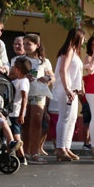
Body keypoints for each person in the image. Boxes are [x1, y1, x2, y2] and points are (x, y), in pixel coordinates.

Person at [52, 28, 86, 162]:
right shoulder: (69, 50)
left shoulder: (75, 52)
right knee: (64, 118)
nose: (84, 41)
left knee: (72, 119)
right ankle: (60, 147)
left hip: (73, 90)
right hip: (66, 89)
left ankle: (66, 146)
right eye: (83, 38)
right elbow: (63, 70)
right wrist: (67, 88)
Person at [21, 34, 54, 163]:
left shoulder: (44, 61)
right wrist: (24, 77)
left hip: (38, 94)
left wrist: (46, 78)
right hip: (24, 93)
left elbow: (52, 77)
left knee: (36, 122)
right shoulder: (20, 60)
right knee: (25, 123)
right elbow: (13, 74)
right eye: (24, 44)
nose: (25, 46)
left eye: (28, 44)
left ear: (37, 45)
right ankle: (25, 152)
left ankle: (35, 153)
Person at [8, 57, 30, 163]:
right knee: (13, 132)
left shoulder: (23, 82)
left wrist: (21, 114)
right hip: (13, 111)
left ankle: (21, 156)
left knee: (16, 133)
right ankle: (15, 154)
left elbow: (24, 98)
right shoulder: (17, 81)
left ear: (18, 69)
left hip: (16, 112)